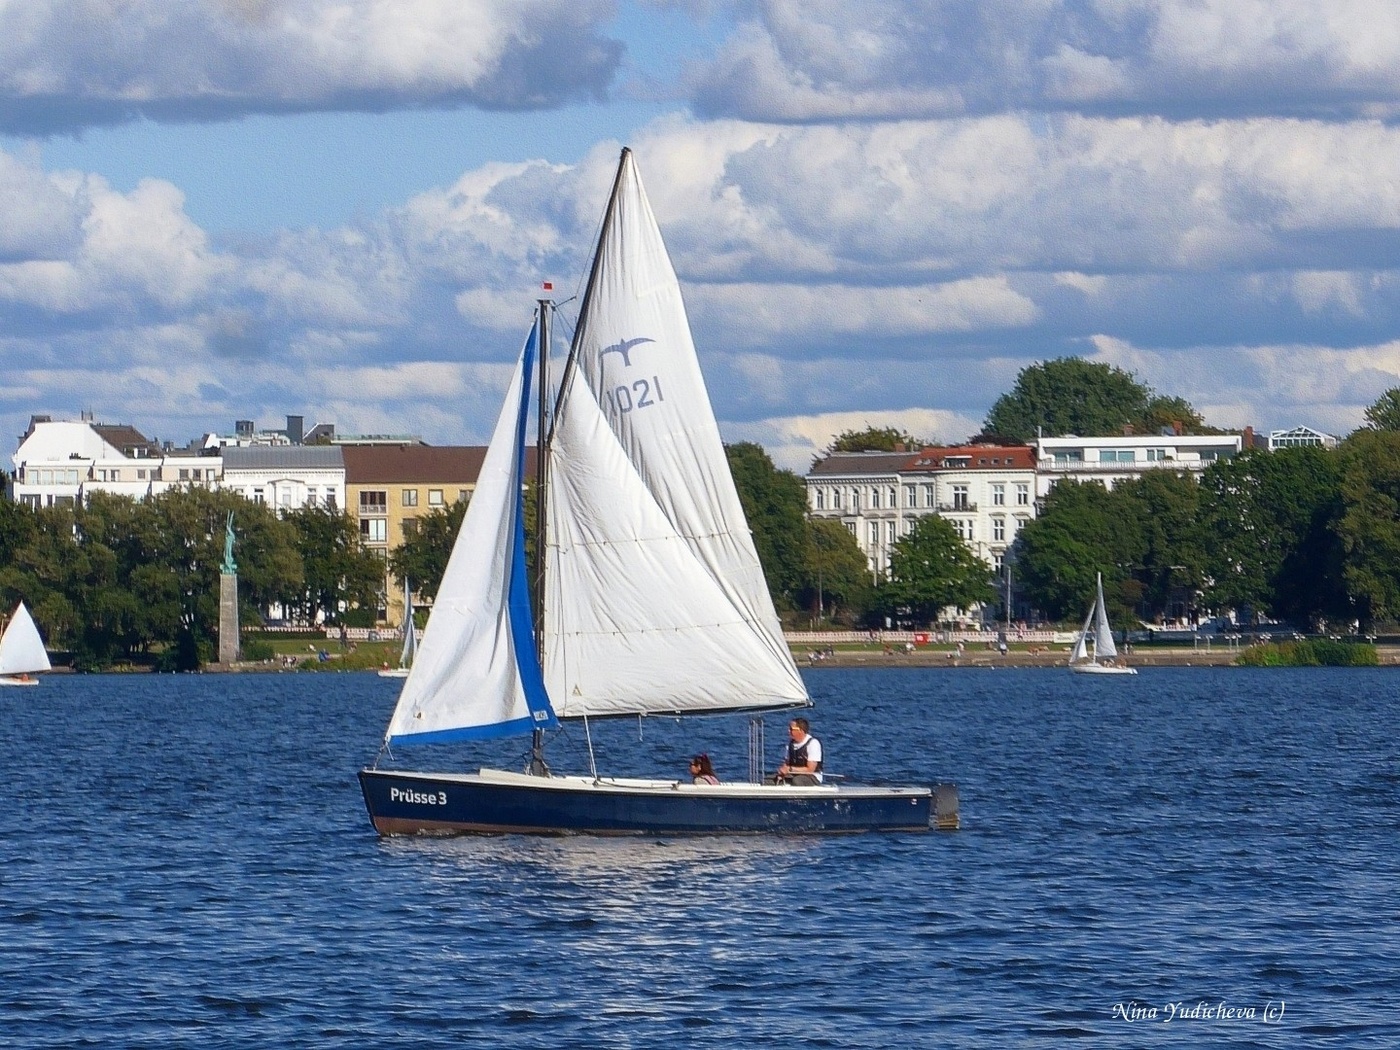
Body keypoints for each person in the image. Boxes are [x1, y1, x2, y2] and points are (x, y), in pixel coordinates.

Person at [775, 717, 823, 785]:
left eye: (791, 729)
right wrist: (782, 771)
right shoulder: (790, 744)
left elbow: (810, 770)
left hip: (811, 777)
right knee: (770, 780)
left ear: (801, 730)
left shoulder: (813, 744)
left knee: (797, 781)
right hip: (793, 774)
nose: (789, 731)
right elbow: (787, 763)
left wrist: (790, 769)